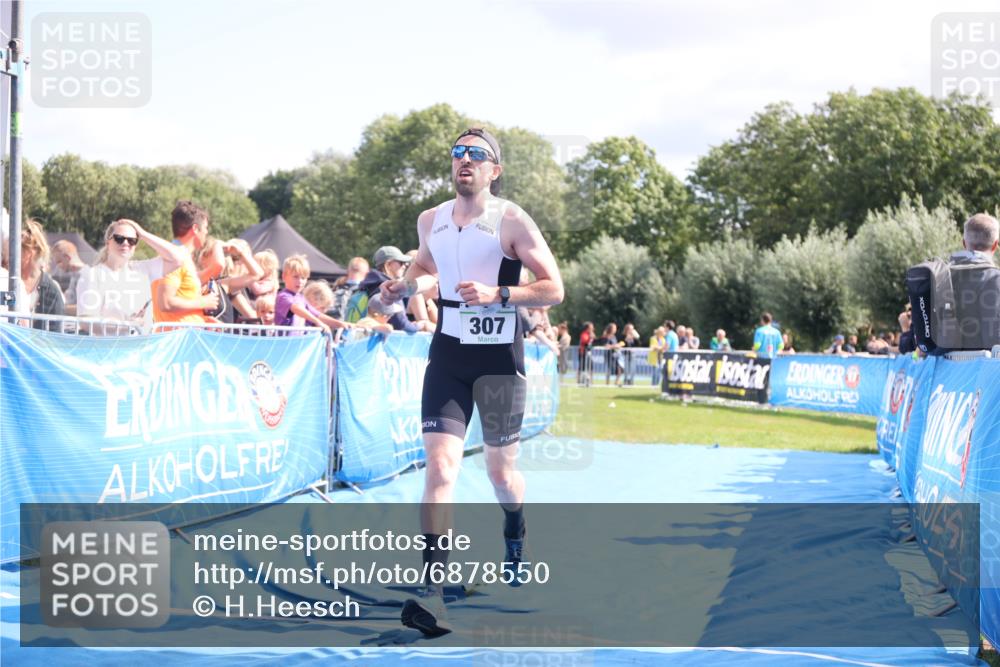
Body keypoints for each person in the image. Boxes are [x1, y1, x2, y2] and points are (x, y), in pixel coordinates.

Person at [380, 127, 564, 636]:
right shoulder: (430, 219)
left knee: (502, 475)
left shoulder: (512, 220)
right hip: (449, 357)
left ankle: (515, 527)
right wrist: (405, 285)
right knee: (440, 468)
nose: (465, 160)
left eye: (477, 155)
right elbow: (425, 266)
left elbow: (554, 289)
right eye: (458, 152)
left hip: (501, 363)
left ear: (493, 170)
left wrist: (499, 294)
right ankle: (434, 593)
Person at [900, 213, 1000, 354]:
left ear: (964, 243)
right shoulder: (996, 278)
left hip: (943, 372)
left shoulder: (938, 277)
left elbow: (912, 345)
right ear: (996, 244)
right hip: (984, 373)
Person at [76, 219, 186, 333]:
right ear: (108, 242)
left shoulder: (143, 269)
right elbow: (86, 322)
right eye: (119, 238)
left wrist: (143, 234)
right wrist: (127, 327)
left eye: (132, 240)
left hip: (142, 346)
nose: (125, 243)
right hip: (109, 348)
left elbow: (178, 259)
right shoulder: (92, 275)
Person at [152, 201, 220, 324]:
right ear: (195, 228)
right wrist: (203, 302)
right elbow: (165, 302)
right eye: (205, 227)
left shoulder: (178, 256)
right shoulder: (175, 259)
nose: (206, 232)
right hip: (179, 339)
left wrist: (203, 320)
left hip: (186, 336)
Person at [274, 254, 351, 334]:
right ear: (284, 276)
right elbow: (296, 309)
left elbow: (317, 315)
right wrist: (317, 322)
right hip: (284, 344)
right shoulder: (283, 297)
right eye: (295, 277)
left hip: (297, 343)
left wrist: (341, 324)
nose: (300, 281)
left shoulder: (301, 298)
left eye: (303, 278)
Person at [19, 219, 65, 330]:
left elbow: (55, 336)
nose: (7, 256)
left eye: (14, 249)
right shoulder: (4, 280)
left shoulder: (52, 292)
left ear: (29, 253)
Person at [50, 240, 86, 315]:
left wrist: (58, 308)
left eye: (59, 262)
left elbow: (86, 308)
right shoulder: (75, 276)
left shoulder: (86, 276)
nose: (58, 266)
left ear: (67, 257)